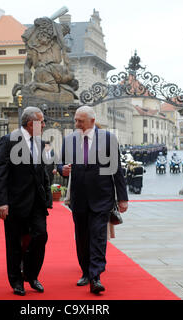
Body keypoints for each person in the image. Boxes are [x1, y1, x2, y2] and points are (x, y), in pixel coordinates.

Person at [57, 106, 128, 294]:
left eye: (80, 121)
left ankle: (96, 276)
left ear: (92, 121)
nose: (77, 124)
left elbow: (117, 169)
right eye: (76, 120)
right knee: (82, 237)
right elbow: (60, 163)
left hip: (102, 196)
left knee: (97, 236)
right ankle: (86, 272)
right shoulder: (70, 139)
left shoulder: (108, 139)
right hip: (79, 197)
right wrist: (61, 169)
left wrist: (123, 198)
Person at [0, 106, 52, 296]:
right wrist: (2, 202)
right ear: (30, 124)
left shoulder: (40, 143)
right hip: (15, 202)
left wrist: (47, 198)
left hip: (36, 203)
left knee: (41, 236)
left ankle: (31, 274)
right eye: (41, 121)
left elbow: (42, 173)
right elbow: (0, 172)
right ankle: (16, 281)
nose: (44, 124)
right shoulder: (9, 141)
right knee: (14, 243)